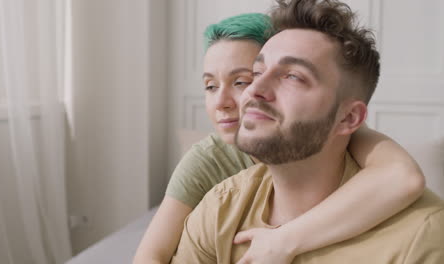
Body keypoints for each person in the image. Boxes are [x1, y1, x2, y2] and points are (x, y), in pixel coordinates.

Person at [133, 10, 427, 264]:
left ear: (348, 118)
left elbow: (401, 176)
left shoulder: (344, 136)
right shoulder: (216, 193)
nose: (248, 93)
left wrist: (284, 240)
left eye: (241, 81)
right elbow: (150, 254)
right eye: (210, 86)